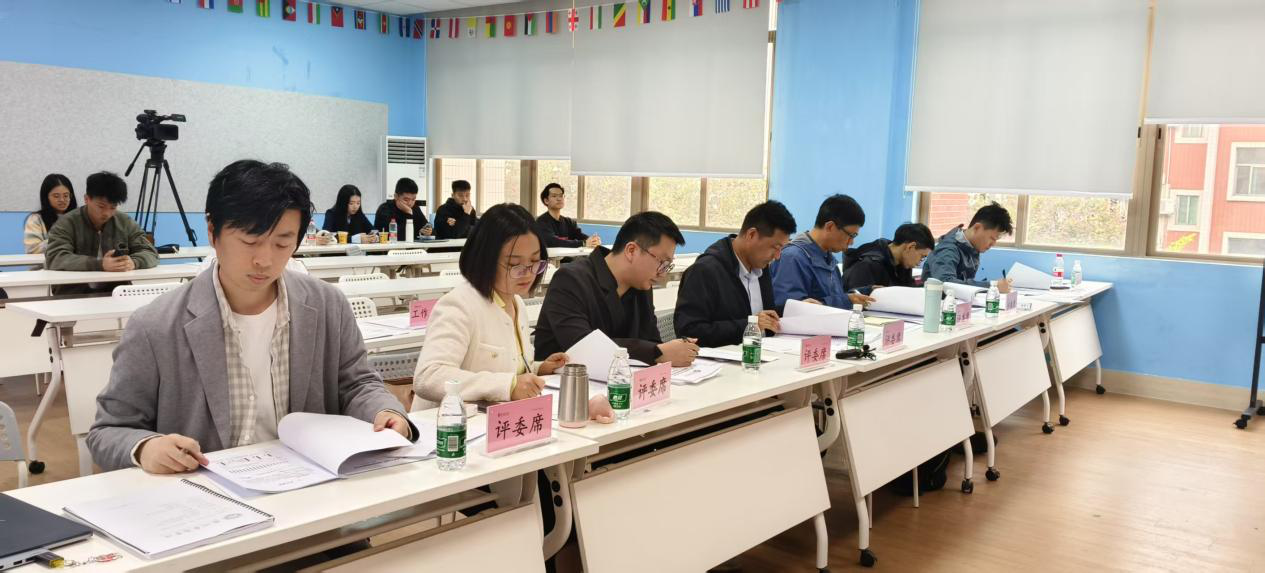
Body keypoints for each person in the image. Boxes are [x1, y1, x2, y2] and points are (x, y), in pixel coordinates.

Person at [87, 160, 415, 474]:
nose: (264, 260)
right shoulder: (155, 325)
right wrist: (146, 447)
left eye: (282, 243)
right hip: (208, 495)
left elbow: (357, 384)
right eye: (250, 241)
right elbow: (109, 430)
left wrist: (385, 411)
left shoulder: (328, 305)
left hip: (312, 487)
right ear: (212, 231)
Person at [413, 204, 614, 421]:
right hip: (448, 428)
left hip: (494, 422)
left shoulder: (516, 302)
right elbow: (429, 376)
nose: (528, 273)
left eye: (535, 262)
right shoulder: (459, 305)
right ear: (485, 260)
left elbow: (504, 365)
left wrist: (538, 368)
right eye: (515, 264)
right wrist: (508, 385)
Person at [535, 211, 699, 366]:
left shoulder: (641, 283)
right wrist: (656, 352)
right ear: (631, 250)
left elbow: (651, 340)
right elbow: (584, 347)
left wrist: (668, 351)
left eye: (667, 266)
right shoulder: (570, 279)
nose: (662, 273)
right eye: (662, 262)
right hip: (562, 382)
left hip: (621, 379)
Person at [674, 201, 797, 348]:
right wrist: (749, 325)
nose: (777, 256)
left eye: (781, 249)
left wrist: (796, 309)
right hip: (723, 359)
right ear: (751, 235)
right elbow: (689, 332)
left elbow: (763, 317)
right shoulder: (705, 271)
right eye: (775, 247)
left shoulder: (761, 267)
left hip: (764, 353)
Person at [45, 171, 159, 295]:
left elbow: (150, 252)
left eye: (113, 207)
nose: (107, 213)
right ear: (87, 199)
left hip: (115, 291)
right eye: (101, 206)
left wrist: (133, 262)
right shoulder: (66, 223)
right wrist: (100, 264)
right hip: (73, 293)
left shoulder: (124, 222)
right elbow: (55, 257)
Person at [770, 194, 874, 310]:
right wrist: (847, 301)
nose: (851, 242)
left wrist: (868, 291)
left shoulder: (829, 258)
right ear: (830, 227)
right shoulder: (792, 258)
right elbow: (790, 308)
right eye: (851, 235)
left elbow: (834, 297)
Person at [922, 201, 1013, 292]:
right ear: (977, 228)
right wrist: (992, 286)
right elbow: (946, 283)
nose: (993, 244)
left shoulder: (972, 248)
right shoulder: (947, 249)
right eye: (992, 238)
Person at [843, 222, 935, 292]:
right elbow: (857, 303)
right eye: (922, 256)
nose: (920, 262)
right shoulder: (868, 264)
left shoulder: (903, 264)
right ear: (910, 247)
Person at [24, 173, 77, 254]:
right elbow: (32, 250)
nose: (62, 200)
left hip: (74, 261)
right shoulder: (36, 219)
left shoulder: (78, 217)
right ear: (46, 197)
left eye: (66, 196)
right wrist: (61, 239)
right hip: (46, 262)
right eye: (56, 196)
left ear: (71, 196)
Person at [536, 183, 601, 249]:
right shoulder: (541, 222)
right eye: (554, 196)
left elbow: (580, 236)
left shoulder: (569, 222)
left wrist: (593, 241)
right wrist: (584, 243)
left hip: (569, 255)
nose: (559, 199)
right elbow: (554, 242)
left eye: (561, 196)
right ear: (546, 201)